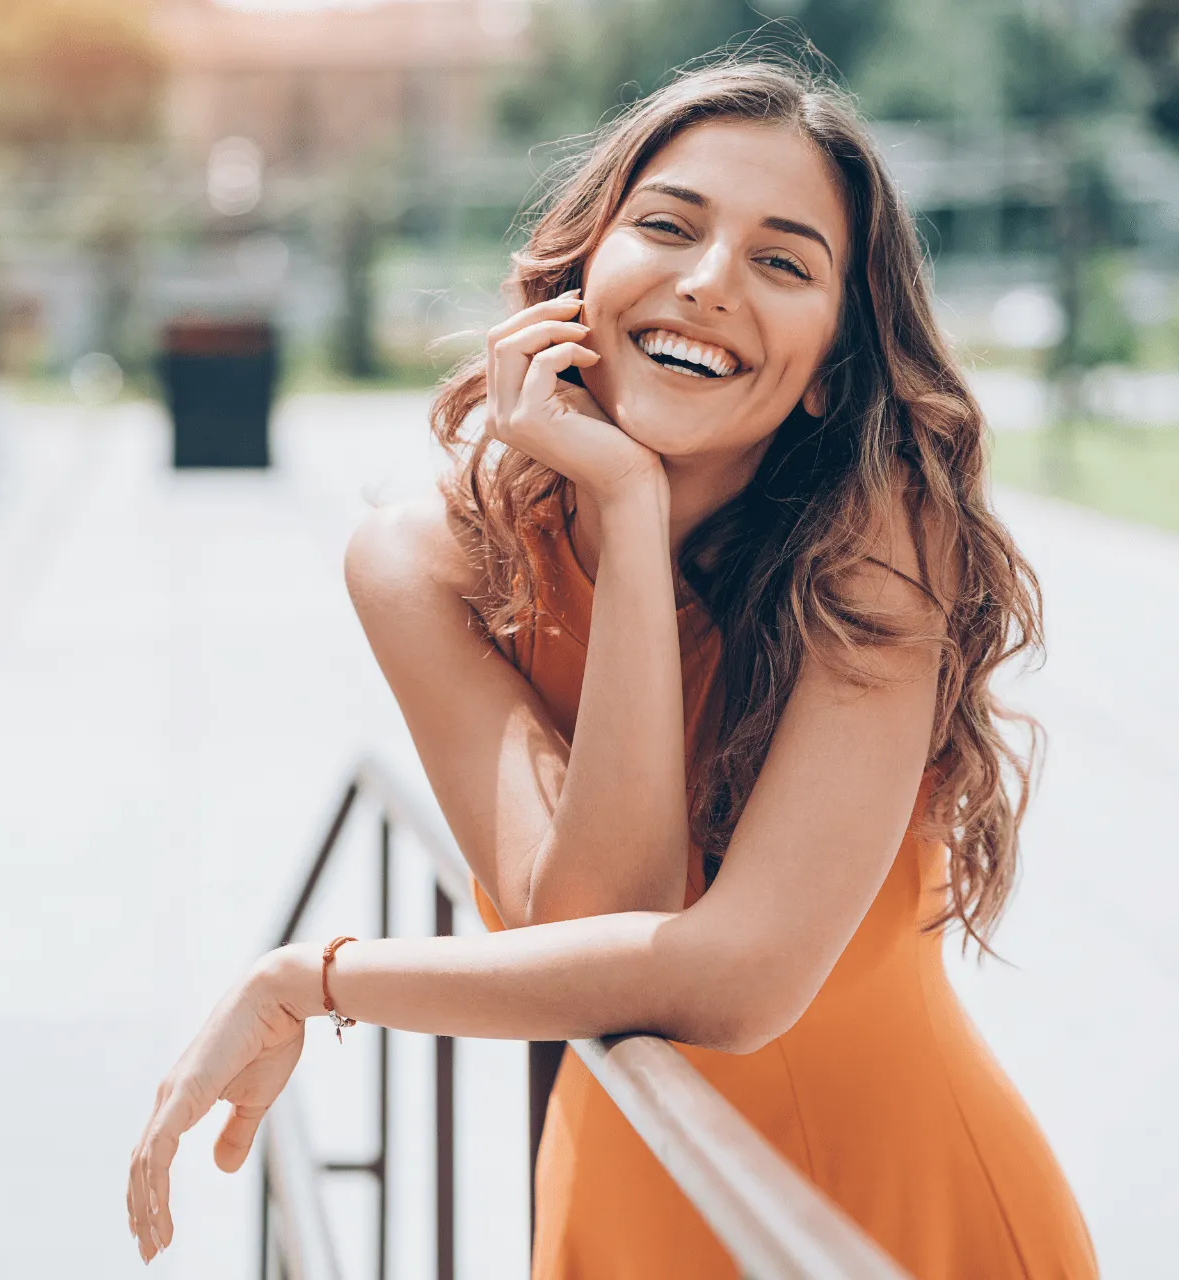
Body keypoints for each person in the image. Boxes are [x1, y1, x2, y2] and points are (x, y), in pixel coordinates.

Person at [128, 58, 1098, 1279]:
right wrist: (629, 513)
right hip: (623, 1206)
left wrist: (313, 980)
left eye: (783, 262)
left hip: (890, 1223)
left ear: (831, 371)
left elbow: (737, 979)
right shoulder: (424, 565)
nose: (707, 283)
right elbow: (598, 918)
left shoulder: (879, 542)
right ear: (581, 265)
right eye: (668, 226)